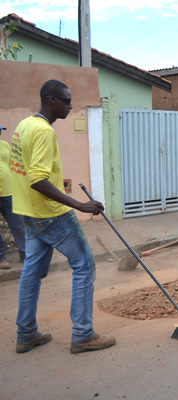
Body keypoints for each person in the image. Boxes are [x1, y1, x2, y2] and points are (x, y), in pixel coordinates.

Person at [12, 79, 116, 354]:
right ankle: (83, 334)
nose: (70, 106)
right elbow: (37, 179)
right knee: (84, 266)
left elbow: (25, 172)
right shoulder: (44, 131)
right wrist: (79, 205)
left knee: (31, 272)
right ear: (52, 99)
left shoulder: (24, 126)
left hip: (29, 213)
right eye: (66, 101)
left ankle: (26, 334)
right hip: (51, 215)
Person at [0, 125, 26, 269]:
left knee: (18, 223)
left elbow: (12, 166)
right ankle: (0, 257)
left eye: (0, 130)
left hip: (8, 193)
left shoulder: (4, 145)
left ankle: (25, 253)